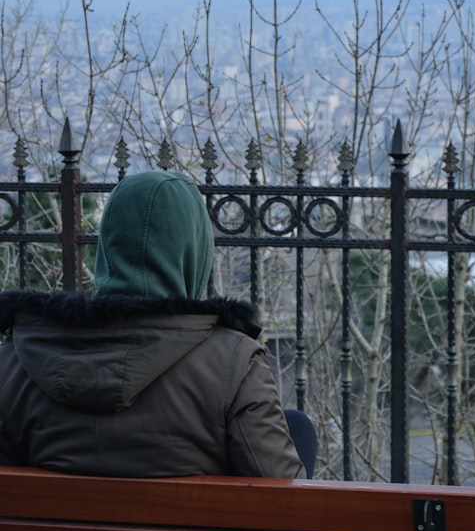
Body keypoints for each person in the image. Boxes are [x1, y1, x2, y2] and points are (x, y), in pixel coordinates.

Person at [0, 170, 305, 478]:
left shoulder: (14, 361)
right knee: (300, 430)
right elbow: (282, 494)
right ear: (194, 252)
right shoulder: (235, 363)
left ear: (108, 247)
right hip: (191, 525)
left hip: (49, 526)